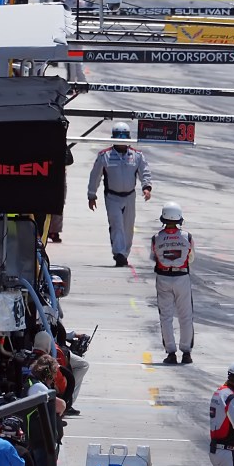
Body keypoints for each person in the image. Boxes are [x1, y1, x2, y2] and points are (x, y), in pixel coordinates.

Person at [87, 122, 153, 267]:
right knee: (116, 225)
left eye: (124, 136)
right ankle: (118, 254)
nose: (121, 139)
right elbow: (95, 176)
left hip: (130, 196)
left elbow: (145, 172)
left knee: (128, 227)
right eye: (118, 136)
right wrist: (92, 195)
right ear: (113, 137)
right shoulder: (104, 156)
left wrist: (146, 187)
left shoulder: (137, 156)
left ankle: (124, 253)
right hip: (112, 197)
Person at [151, 201, 195, 365]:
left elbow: (153, 257)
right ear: (179, 219)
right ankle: (186, 353)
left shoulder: (156, 238)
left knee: (166, 317)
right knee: (185, 316)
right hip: (182, 277)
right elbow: (191, 258)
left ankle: (171, 353)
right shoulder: (187, 237)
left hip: (163, 278)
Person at [33, 328, 89, 415]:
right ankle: (67, 405)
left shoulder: (23, 360)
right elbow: (59, 386)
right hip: (44, 399)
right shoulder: (47, 365)